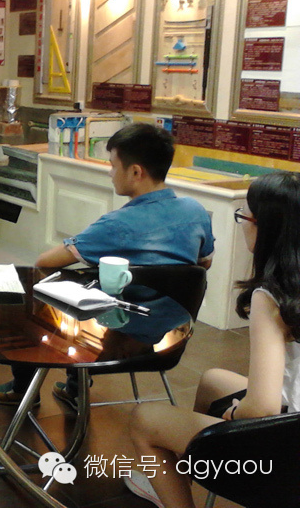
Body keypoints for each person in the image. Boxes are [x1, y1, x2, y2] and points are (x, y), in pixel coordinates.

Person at [0, 123, 215, 408]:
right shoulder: (195, 211)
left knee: (37, 286)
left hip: (115, 336)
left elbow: (45, 263)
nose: (110, 173)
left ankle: (22, 389)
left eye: (113, 165)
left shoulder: (116, 225)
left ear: (136, 172)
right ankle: (75, 388)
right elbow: (204, 263)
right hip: (173, 335)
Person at [126, 171, 300, 508]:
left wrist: (234, 415)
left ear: (266, 228)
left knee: (143, 419)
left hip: (289, 454)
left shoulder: (273, 296)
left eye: (244, 216)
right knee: (212, 381)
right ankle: (175, 475)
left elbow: (261, 408)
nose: (243, 223)